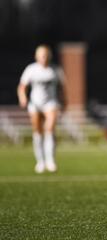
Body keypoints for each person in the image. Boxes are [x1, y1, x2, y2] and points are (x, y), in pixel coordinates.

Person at [17, 45, 66, 174]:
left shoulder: (55, 70)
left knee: (49, 129)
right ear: (37, 56)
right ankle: (40, 161)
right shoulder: (31, 69)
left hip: (51, 103)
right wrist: (23, 98)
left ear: (49, 56)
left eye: (46, 55)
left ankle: (50, 161)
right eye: (41, 55)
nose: (44, 58)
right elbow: (22, 87)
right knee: (38, 132)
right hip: (35, 104)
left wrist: (64, 102)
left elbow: (62, 88)